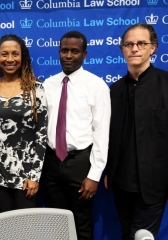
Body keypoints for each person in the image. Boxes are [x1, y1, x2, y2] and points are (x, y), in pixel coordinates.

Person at [104, 23, 168, 239]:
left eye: (141, 43)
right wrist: (109, 170)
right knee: (127, 234)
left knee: (143, 235)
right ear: (122, 49)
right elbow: (110, 137)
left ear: (152, 48)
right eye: (129, 44)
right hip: (121, 183)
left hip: (155, 184)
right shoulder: (114, 91)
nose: (134, 48)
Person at [42, 30, 111, 240]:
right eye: (64, 50)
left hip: (81, 162)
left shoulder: (97, 86)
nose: (69, 55)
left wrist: (94, 174)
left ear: (85, 54)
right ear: (58, 52)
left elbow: (101, 132)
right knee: (56, 221)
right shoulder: (48, 85)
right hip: (52, 161)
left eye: (75, 51)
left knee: (81, 221)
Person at [0, 34, 47, 213]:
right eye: (4, 54)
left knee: (25, 228)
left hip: (26, 175)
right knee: (4, 226)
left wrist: (34, 175)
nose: (10, 59)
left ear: (23, 57)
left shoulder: (36, 89)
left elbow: (41, 135)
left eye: (15, 54)